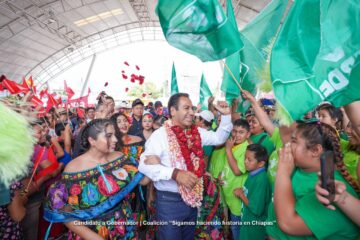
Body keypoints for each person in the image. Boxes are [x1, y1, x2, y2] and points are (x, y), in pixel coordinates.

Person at [139, 93, 232, 240]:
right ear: (173, 111)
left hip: (193, 201)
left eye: (192, 108)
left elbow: (219, 137)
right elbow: (144, 166)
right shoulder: (160, 136)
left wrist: (226, 116)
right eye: (186, 108)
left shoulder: (196, 133)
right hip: (169, 202)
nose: (191, 112)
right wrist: (175, 173)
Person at [44, 119, 150, 239]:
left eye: (114, 135)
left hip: (124, 227)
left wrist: (153, 162)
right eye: (109, 136)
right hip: (91, 232)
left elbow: (143, 181)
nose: (115, 139)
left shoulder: (119, 157)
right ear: (92, 140)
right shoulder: (74, 168)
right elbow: (66, 214)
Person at [266, 122, 360, 239]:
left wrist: (283, 172)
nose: (288, 145)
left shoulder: (331, 189)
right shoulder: (303, 167)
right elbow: (284, 132)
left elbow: (288, 224)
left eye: (294, 141)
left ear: (315, 150)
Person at [234, 144, 271, 240]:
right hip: (248, 221)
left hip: (254, 226)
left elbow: (257, 209)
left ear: (261, 164)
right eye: (245, 158)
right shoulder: (253, 174)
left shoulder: (261, 180)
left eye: (249, 160)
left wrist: (241, 195)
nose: (245, 162)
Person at [221, 119, 251, 240]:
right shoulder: (233, 145)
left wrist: (228, 149)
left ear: (248, 134)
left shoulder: (247, 149)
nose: (236, 135)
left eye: (241, 132)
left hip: (237, 198)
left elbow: (237, 171)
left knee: (236, 228)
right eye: (234, 131)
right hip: (228, 194)